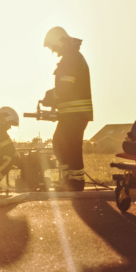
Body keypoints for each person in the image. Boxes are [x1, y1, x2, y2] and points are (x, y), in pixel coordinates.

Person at [41, 26, 92, 192]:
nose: (53, 50)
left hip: (75, 114)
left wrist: (50, 96)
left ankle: (75, 182)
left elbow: (66, 88)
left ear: (60, 41)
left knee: (69, 146)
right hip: (72, 113)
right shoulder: (73, 57)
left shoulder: (70, 58)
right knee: (61, 144)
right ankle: (68, 180)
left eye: (53, 46)